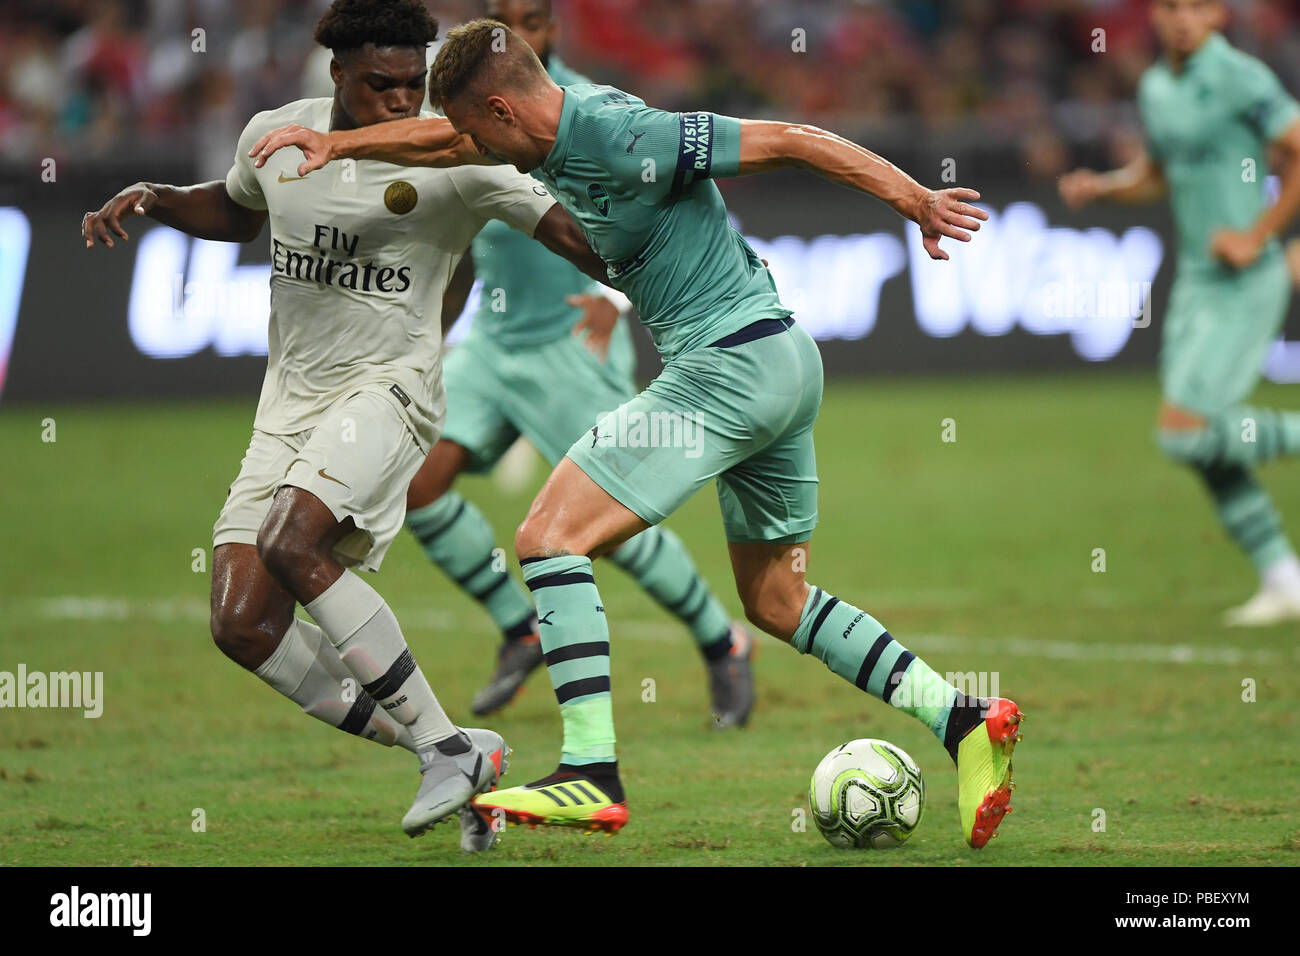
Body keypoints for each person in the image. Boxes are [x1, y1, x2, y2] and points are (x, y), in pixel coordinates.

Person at [249, 19, 1021, 849]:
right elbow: (441, 142)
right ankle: (966, 720)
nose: (466, 148)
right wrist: (340, 147)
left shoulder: (626, 135)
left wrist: (916, 201)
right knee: (776, 600)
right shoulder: (532, 132)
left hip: (729, 364)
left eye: (477, 131)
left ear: (504, 110)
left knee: (548, 538)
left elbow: (791, 139)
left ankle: (591, 770)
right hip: (779, 362)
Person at [81, 0, 607, 851]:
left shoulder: (456, 150)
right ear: (336, 75)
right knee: (241, 622)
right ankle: (458, 751)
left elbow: (569, 234)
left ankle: (442, 748)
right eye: (380, 85)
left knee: (295, 543)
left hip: (391, 391)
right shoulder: (279, 135)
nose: (402, 101)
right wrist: (157, 198)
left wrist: (658, 266)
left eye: (412, 83)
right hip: (289, 405)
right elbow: (238, 209)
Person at [404, 0, 754, 725]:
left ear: (548, 30)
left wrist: (618, 303)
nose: (513, 31)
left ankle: (723, 643)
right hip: (493, 345)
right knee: (416, 485)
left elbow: (682, 219)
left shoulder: (588, 113)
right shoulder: (479, 111)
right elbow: (477, 232)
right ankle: (520, 625)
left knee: (605, 530)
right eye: (498, 18)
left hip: (571, 343)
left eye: (525, 19)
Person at [1061, 0, 1300, 626]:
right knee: (1199, 444)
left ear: (1219, 15)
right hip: (1197, 283)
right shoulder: (1157, 87)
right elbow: (1159, 174)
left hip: (1245, 279)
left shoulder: (1239, 76)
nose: (1184, 18)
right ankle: (1283, 577)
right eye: (1171, 6)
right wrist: (1105, 186)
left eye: (1197, 6)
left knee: (1185, 430)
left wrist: (1258, 233)